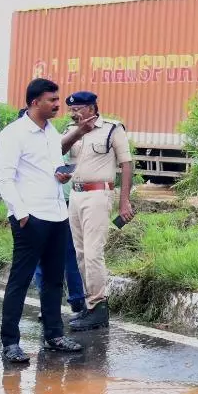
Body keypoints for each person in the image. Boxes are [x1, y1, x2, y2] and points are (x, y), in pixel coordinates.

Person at [0, 78, 81, 364]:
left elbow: (50, 168)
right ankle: (10, 342)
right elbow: (4, 179)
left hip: (57, 213)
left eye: (57, 99)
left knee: (55, 279)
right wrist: (21, 214)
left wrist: (61, 175)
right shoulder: (13, 134)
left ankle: (54, 335)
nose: (58, 105)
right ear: (34, 102)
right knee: (20, 281)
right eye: (52, 100)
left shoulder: (50, 132)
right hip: (30, 217)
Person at [58, 91, 133, 332]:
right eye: (71, 109)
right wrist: (77, 131)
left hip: (99, 195)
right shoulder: (71, 129)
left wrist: (124, 202)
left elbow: (126, 164)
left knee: (93, 252)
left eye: (78, 108)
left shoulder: (112, 129)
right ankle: (89, 304)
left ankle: (99, 307)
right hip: (75, 195)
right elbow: (57, 152)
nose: (74, 113)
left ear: (91, 108)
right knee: (80, 253)